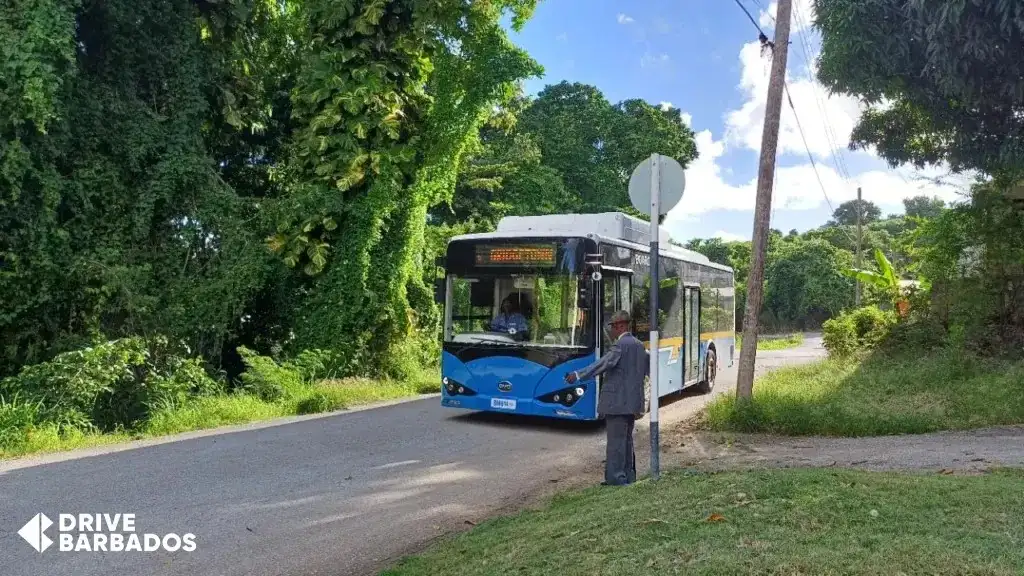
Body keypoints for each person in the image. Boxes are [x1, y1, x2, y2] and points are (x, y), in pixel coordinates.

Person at [566, 310, 648, 486]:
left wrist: (578, 375)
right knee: (626, 441)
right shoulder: (640, 346)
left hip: (617, 403)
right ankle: (628, 476)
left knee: (615, 442)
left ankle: (616, 478)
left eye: (613, 327)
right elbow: (645, 371)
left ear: (620, 326)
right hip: (633, 403)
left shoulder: (619, 346)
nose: (611, 330)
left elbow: (602, 364)